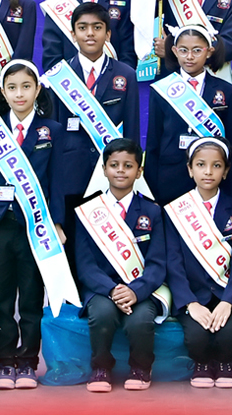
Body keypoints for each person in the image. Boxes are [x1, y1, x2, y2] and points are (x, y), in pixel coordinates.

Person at [0, 60, 67, 390]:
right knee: (0, 296)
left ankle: (27, 362)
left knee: (31, 296)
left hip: (35, 226)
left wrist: (57, 222)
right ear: (3, 91)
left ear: (37, 89)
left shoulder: (51, 130)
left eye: (26, 86)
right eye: (12, 88)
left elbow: (57, 180)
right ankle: (3, 362)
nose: (19, 94)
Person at [75, 138, 166, 393]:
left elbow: (158, 263)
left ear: (139, 171)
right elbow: (85, 265)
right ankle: (101, 368)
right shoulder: (87, 211)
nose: (121, 171)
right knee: (102, 315)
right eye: (114, 165)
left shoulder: (152, 212)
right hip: (102, 289)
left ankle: (141, 368)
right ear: (104, 169)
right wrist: (112, 290)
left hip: (140, 288)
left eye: (128, 165)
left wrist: (136, 291)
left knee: (140, 320)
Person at [164, 137, 232, 389]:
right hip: (192, 294)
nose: (208, 172)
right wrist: (190, 303)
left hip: (225, 292)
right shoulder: (175, 210)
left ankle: (225, 364)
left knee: (229, 334)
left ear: (226, 171)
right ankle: (201, 364)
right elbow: (173, 262)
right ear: (190, 170)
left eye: (216, 165)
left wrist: (228, 300)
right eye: (201, 165)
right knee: (196, 336)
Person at [44, 2, 141, 213]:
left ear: (108, 34)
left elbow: (132, 130)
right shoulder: (59, 76)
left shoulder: (126, 74)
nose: (90, 33)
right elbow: (54, 131)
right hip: (70, 175)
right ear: (73, 34)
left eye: (97, 27)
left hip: (113, 176)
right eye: (82, 27)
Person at [144, 24, 232, 205]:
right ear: (174, 51)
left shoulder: (226, 90)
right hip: (169, 180)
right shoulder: (161, 89)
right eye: (183, 50)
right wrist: (151, 194)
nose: (189, 56)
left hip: (211, 181)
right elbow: (153, 142)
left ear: (209, 52)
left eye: (197, 50)